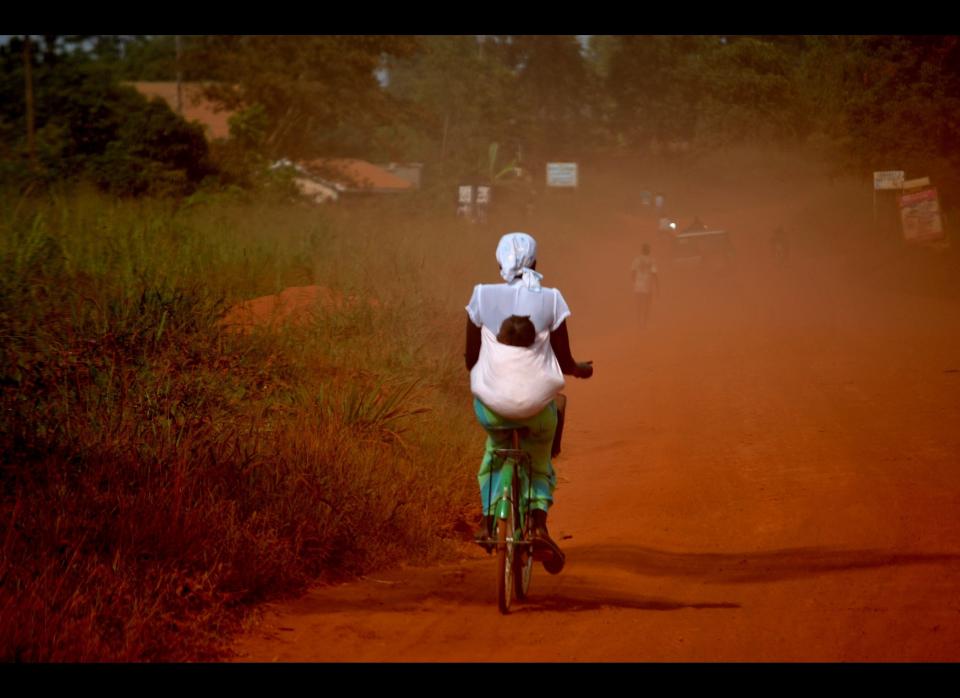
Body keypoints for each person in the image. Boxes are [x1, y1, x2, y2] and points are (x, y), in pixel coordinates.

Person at [465, 232, 593, 574]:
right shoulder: (551, 299)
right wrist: (580, 371)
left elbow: (470, 357)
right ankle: (537, 525)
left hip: (492, 409)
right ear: (536, 263)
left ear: (499, 263)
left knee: (494, 454)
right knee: (539, 462)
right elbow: (564, 360)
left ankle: (488, 520)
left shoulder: (481, 295)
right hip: (537, 409)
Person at [630, 243, 659, 327]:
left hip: (638, 287)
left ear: (642, 250)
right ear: (648, 250)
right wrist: (657, 287)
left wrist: (634, 283)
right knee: (647, 306)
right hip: (648, 286)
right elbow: (654, 274)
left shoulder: (636, 260)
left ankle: (639, 322)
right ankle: (644, 323)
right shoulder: (652, 260)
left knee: (638, 305)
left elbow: (632, 273)